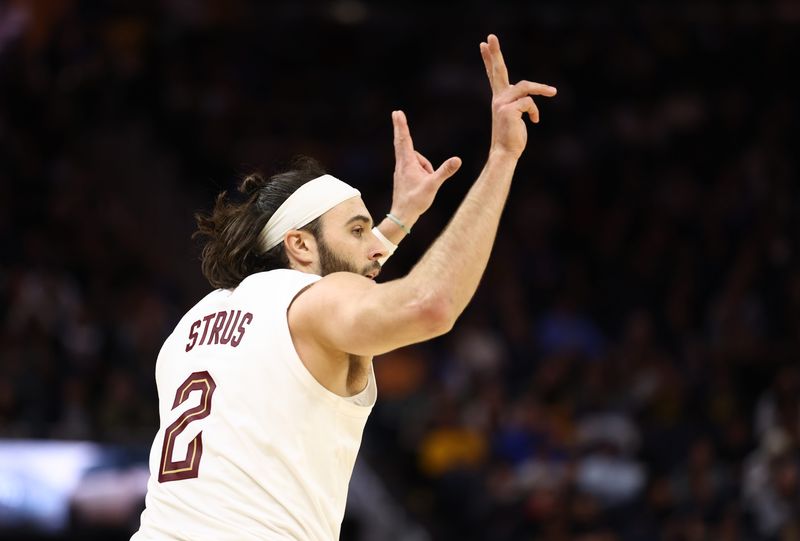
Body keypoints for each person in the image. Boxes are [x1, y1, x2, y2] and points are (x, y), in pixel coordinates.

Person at [131, 34, 556, 540]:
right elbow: (430, 305)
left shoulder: (190, 327)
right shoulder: (310, 302)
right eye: (358, 230)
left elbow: (325, 286)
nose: (374, 246)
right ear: (300, 246)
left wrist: (399, 220)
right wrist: (503, 157)